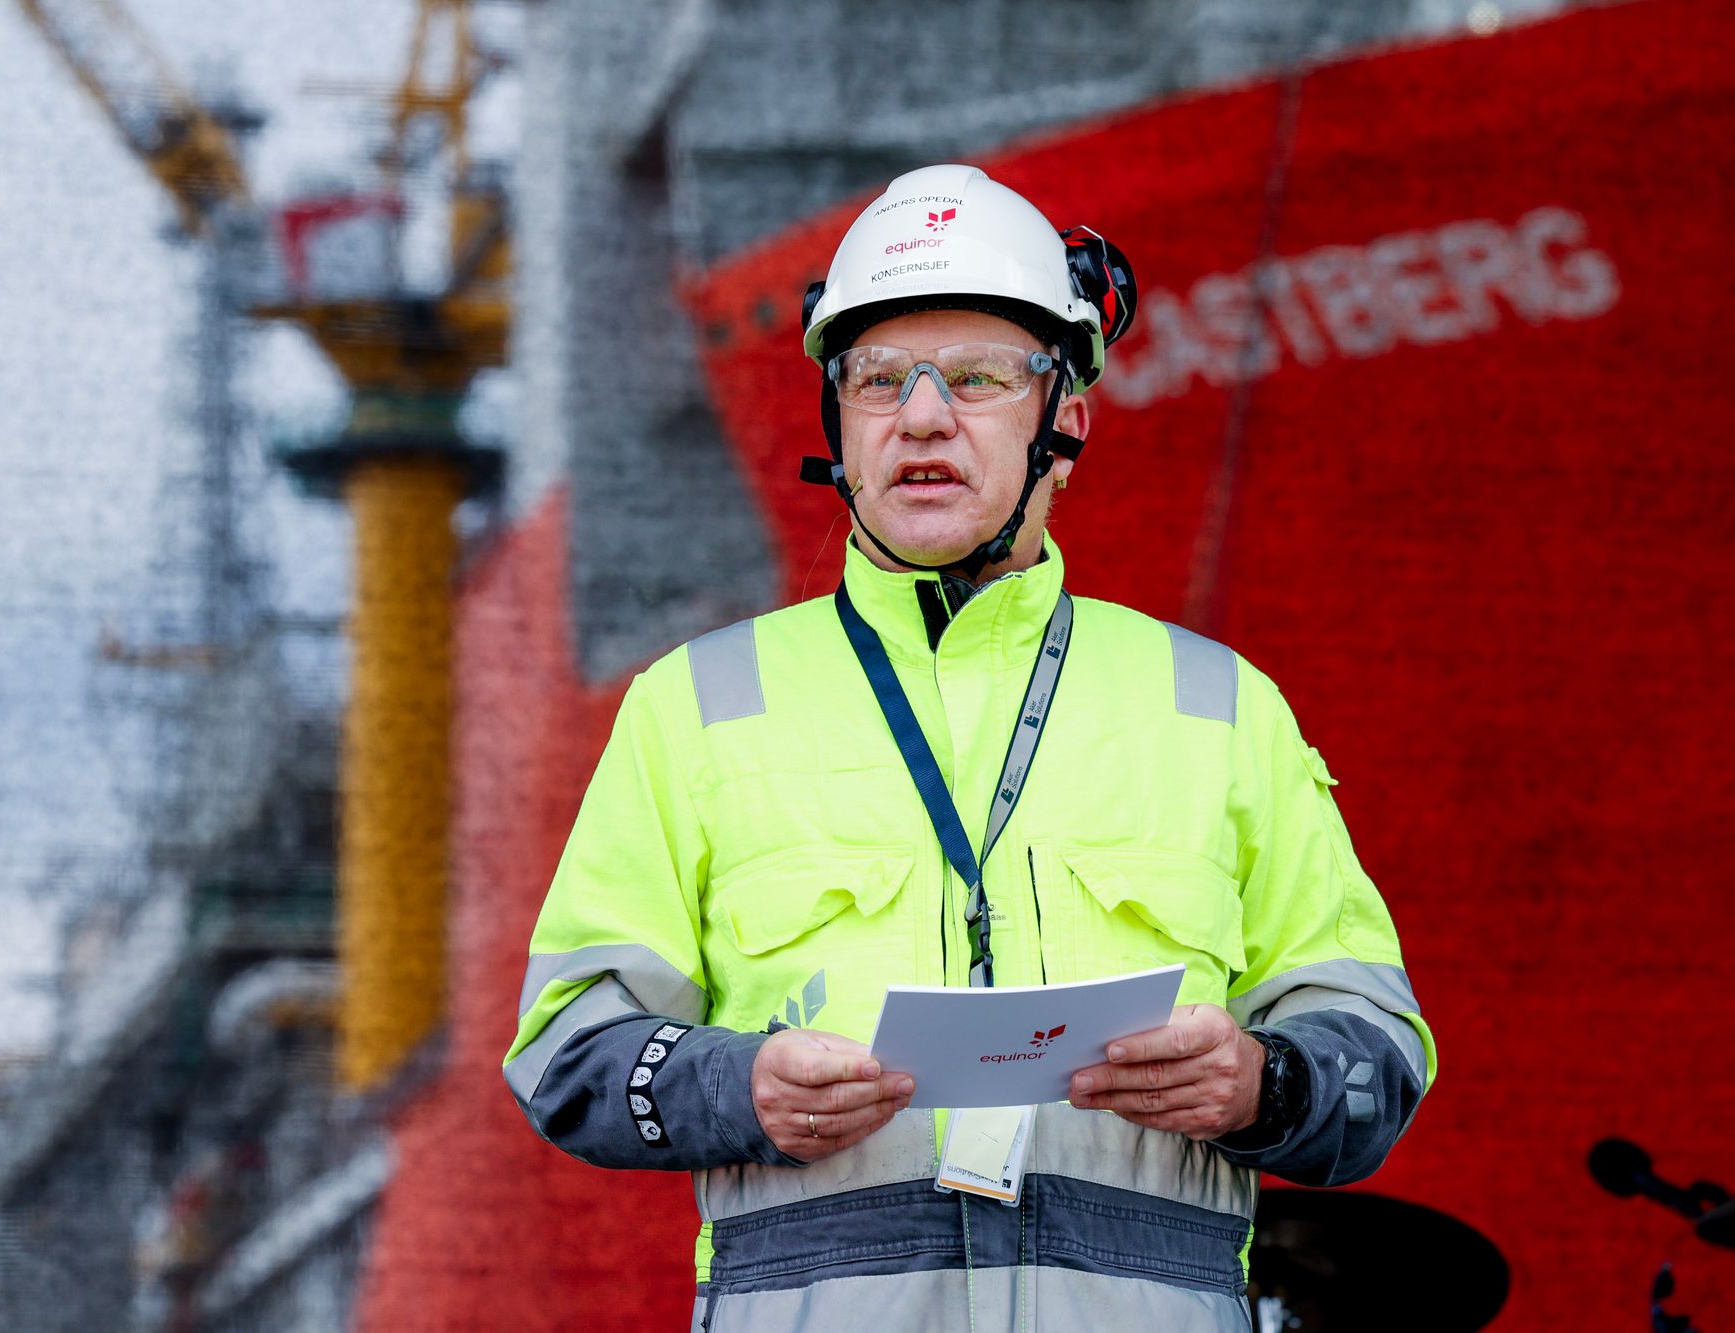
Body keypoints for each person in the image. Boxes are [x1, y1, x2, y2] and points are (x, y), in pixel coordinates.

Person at [504, 163, 1433, 1331]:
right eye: (878, 379)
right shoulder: (691, 705)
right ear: (837, 422)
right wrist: (733, 1086)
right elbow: (564, 1054)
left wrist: (1262, 1085)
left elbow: (1377, 1056)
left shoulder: (1220, 707)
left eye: (980, 378)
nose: (923, 415)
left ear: (1065, 420)